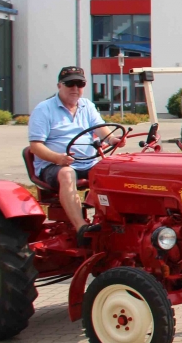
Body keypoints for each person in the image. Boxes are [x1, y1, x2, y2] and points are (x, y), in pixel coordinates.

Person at [28, 66, 123, 232]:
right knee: (67, 173)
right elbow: (35, 146)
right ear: (59, 86)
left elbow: (101, 130)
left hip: (86, 162)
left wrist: (113, 139)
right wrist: (58, 158)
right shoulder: (44, 109)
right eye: (70, 83)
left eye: (80, 84)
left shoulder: (87, 106)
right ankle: (82, 227)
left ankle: (115, 222)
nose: (75, 88)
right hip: (54, 165)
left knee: (114, 169)